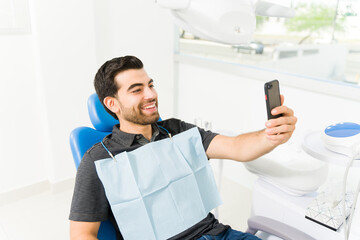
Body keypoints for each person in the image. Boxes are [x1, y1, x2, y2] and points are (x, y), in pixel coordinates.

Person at [69, 55, 297, 240]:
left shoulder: (176, 131)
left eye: (150, 85)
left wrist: (272, 135)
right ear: (112, 103)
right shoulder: (99, 159)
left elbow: (237, 147)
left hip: (218, 234)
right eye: (137, 90)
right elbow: (82, 234)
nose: (151, 95)